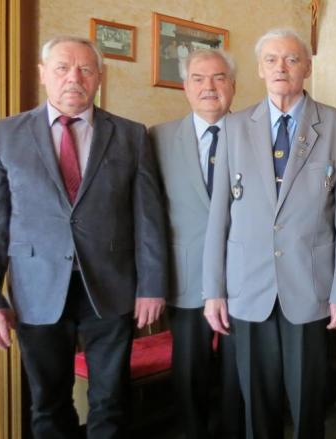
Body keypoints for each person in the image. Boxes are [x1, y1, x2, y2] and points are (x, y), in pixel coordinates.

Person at [0, 36, 167, 438]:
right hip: (36, 289)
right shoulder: (3, 135)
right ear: (42, 75)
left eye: (86, 69)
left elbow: (148, 219)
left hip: (111, 286)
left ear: (99, 77)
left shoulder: (130, 135)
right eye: (63, 68)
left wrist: (151, 287)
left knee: (111, 401)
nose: (75, 77)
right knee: (48, 403)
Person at [202, 28, 336, 439]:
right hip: (247, 285)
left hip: (309, 285)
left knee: (309, 399)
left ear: (307, 67)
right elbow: (219, 215)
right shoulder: (235, 126)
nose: (281, 67)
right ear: (259, 69)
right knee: (258, 401)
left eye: (291, 59)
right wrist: (213, 290)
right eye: (271, 59)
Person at [149, 48, 244, 439]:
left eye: (219, 78)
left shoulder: (255, 132)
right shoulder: (157, 137)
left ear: (233, 86)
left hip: (243, 277)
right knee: (189, 372)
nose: (210, 87)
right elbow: (148, 212)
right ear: (185, 87)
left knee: (238, 373)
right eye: (199, 79)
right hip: (185, 275)